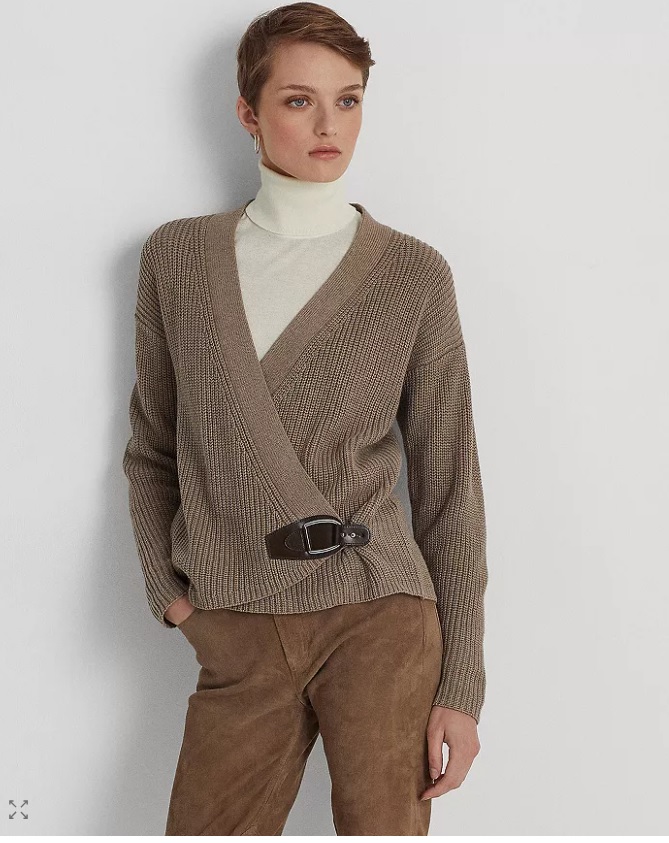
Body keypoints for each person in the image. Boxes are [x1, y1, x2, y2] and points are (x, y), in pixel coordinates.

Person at [122, 2, 487, 835]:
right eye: (298, 100)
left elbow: (450, 491)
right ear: (247, 113)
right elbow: (152, 449)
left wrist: (460, 686)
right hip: (236, 625)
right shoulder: (177, 258)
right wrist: (173, 597)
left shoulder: (413, 275)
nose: (329, 125)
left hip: (380, 617)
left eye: (347, 100)